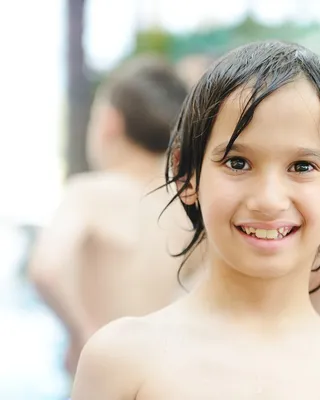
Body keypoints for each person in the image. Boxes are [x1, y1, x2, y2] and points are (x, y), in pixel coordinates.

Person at [71, 40, 320, 399]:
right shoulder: (123, 360)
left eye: (302, 167)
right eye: (237, 163)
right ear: (186, 174)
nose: (268, 199)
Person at [28, 56, 200, 376]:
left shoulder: (89, 192)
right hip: (161, 368)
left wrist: (82, 333)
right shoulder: (185, 202)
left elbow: (45, 269)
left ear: (109, 122)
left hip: (104, 369)